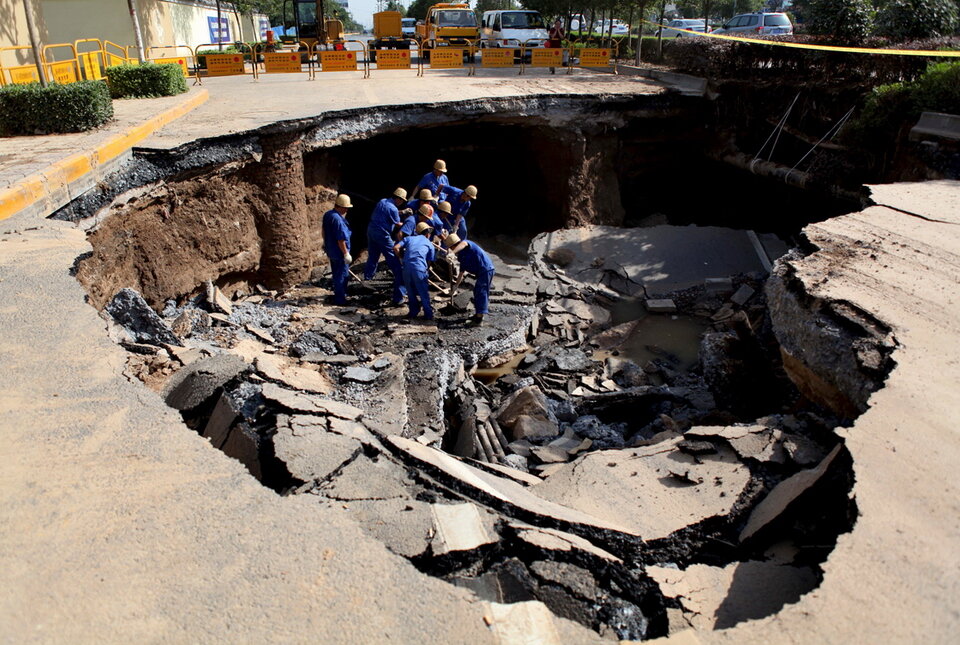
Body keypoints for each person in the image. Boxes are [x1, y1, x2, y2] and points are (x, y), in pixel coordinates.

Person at [365, 187, 408, 305]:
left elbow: (387, 212)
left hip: (371, 230)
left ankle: (367, 278)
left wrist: (402, 212)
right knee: (392, 256)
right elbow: (398, 223)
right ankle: (399, 277)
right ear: (398, 199)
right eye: (402, 201)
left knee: (373, 255)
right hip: (382, 234)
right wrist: (408, 223)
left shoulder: (382, 201)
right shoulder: (393, 209)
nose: (402, 203)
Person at [443, 233, 495, 326]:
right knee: (477, 292)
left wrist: (452, 253)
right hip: (481, 272)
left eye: (451, 248)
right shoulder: (462, 256)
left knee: (481, 292)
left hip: (486, 269)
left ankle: (479, 320)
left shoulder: (466, 243)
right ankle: (478, 315)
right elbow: (461, 273)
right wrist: (455, 287)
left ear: (453, 246)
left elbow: (463, 244)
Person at [394, 222, 437, 320]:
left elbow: (396, 247)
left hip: (406, 269)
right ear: (427, 234)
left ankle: (413, 312)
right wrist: (426, 269)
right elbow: (429, 261)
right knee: (423, 292)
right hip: (419, 269)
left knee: (410, 292)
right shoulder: (429, 244)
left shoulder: (408, 239)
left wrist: (401, 258)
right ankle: (428, 315)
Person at [322, 194, 353, 305]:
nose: (346, 210)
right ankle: (340, 300)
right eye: (346, 208)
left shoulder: (328, 215)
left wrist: (325, 243)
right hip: (339, 252)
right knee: (342, 276)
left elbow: (324, 231)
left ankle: (338, 295)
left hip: (331, 250)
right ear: (340, 206)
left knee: (336, 274)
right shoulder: (338, 220)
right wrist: (346, 253)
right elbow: (341, 239)